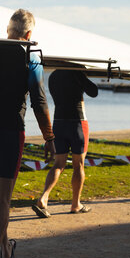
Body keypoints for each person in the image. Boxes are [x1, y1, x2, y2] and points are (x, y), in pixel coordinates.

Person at [0, 9, 55, 258]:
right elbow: (39, 100)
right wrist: (50, 138)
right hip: (8, 130)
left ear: (8, 30)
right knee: (3, 200)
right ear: (29, 34)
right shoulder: (30, 57)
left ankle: (5, 248)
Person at [32, 69, 98, 218]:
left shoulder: (54, 75)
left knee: (58, 164)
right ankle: (76, 204)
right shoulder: (76, 72)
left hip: (58, 124)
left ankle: (44, 197)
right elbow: (94, 91)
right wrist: (82, 75)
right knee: (78, 165)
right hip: (78, 124)